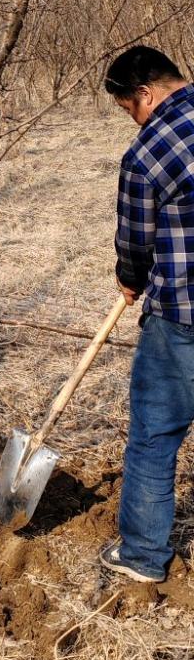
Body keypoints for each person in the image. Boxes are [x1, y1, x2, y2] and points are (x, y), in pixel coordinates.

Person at [100, 45, 194, 583]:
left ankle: (141, 556)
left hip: (182, 315)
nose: (133, 120)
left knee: (155, 436)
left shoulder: (147, 154)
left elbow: (136, 242)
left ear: (145, 93)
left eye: (128, 109)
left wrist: (129, 277)